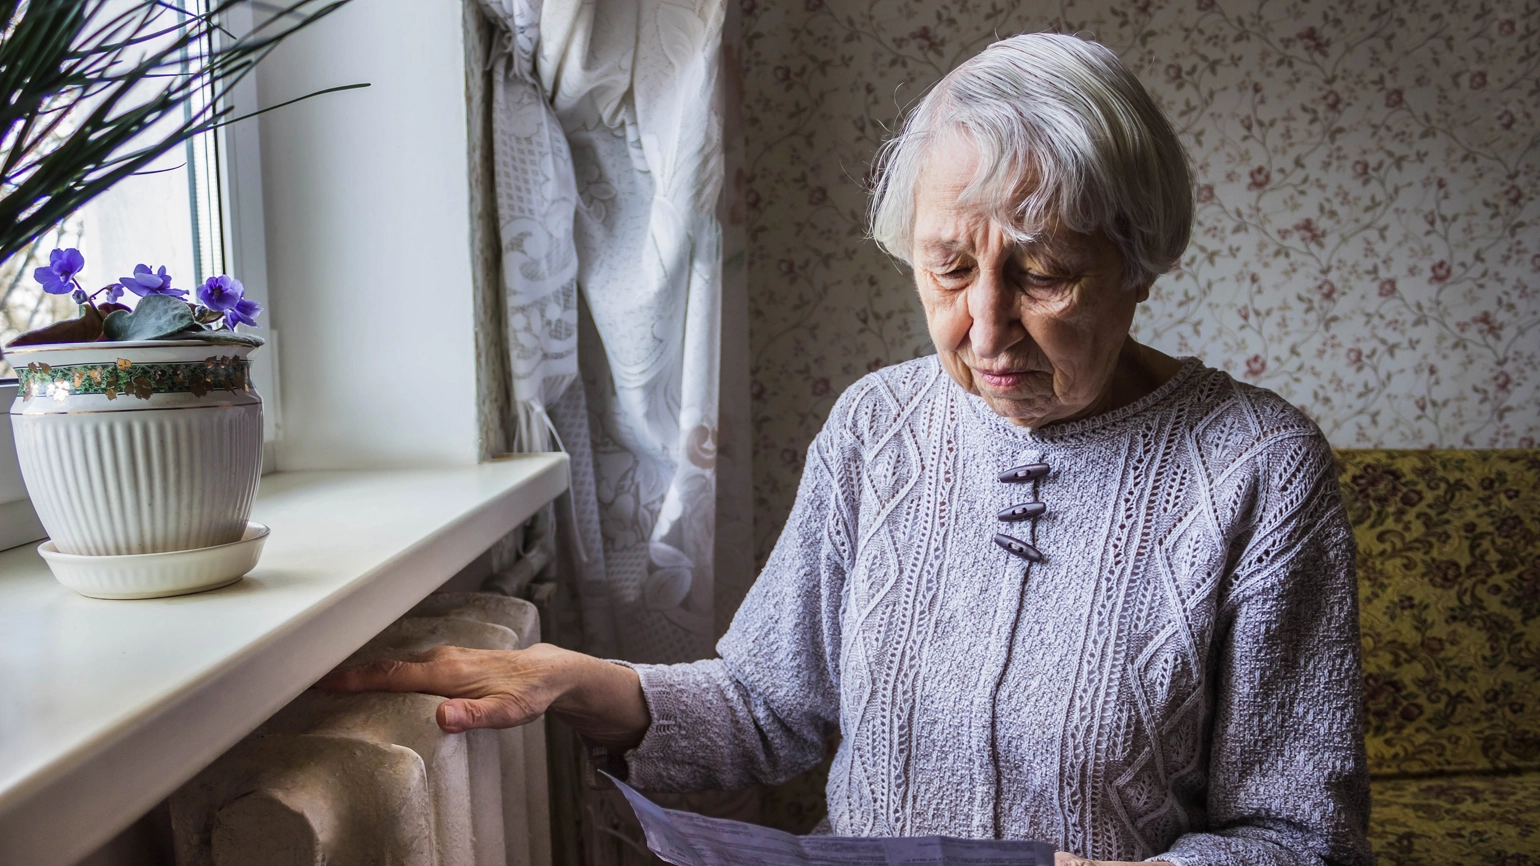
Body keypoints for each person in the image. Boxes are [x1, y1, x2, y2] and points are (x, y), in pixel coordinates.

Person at [321, 33, 1372, 866]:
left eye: (1043, 274)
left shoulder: (1255, 467)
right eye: (948, 268)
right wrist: (581, 679)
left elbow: (1300, 835)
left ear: (1140, 261)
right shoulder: (879, 427)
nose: (986, 325)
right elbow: (769, 704)